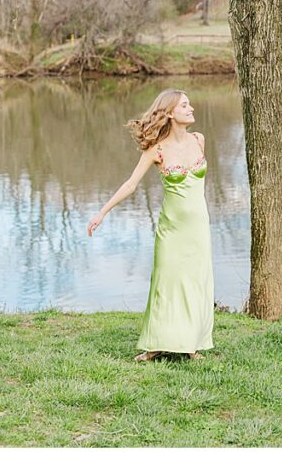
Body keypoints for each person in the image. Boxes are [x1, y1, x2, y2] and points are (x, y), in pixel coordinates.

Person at [87, 89, 214, 362]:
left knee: (194, 282)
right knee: (166, 282)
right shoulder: (156, 150)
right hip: (172, 229)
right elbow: (131, 184)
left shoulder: (199, 140)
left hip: (199, 227)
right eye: (184, 105)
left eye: (190, 103)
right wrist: (102, 212)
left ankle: (191, 345)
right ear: (169, 113)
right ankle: (155, 345)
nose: (191, 108)